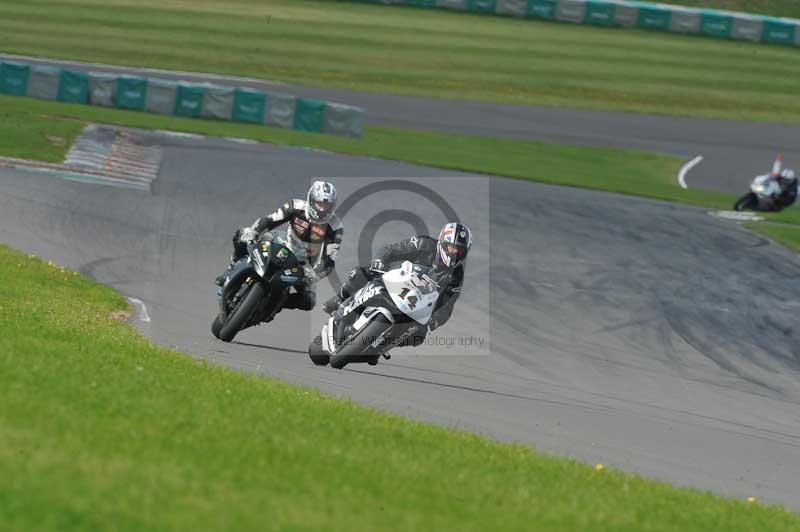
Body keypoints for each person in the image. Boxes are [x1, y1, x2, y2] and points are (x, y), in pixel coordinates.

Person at [323, 222, 472, 350]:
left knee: (419, 336)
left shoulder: (456, 276)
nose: (455, 252)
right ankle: (340, 299)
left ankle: (379, 348)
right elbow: (391, 250)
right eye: (453, 247)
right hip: (393, 279)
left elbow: (447, 306)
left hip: (415, 304)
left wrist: (433, 321)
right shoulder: (423, 244)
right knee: (360, 273)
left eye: (460, 250)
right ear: (443, 242)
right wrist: (380, 261)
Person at [216, 180, 343, 313]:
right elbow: (270, 220)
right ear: (311, 200)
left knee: (308, 300)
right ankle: (231, 267)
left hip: (304, 264)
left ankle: (274, 305)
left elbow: (329, 261)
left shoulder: (335, 226)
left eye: (326, 206)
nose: (322, 209)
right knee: (241, 235)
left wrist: (314, 274)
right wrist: (254, 231)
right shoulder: (295, 206)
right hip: (282, 242)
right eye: (319, 204)